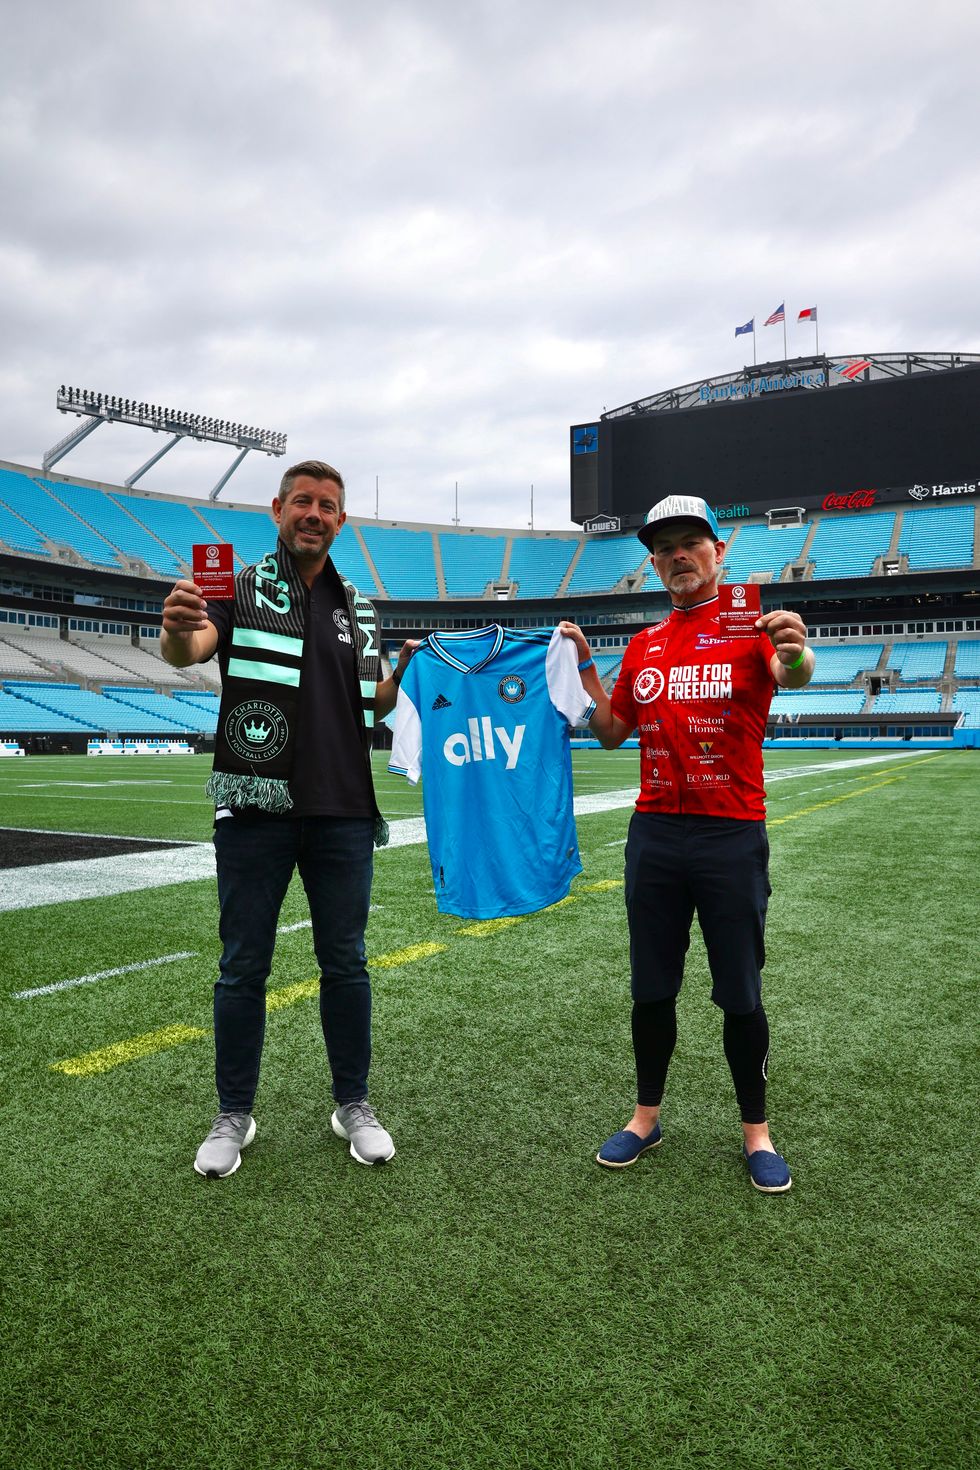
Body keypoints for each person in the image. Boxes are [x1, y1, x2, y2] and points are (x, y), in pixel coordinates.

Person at [161, 459, 415, 1178]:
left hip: (342, 812)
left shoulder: (357, 606)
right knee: (243, 968)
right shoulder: (238, 590)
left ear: (341, 520)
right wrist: (176, 629)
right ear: (278, 510)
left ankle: (353, 1104)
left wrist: (394, 681)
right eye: (302, 501)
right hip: (256, 808)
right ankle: (233, 1113)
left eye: (327, 505)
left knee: (347, 964)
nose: (314, 513)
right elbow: (192, 649)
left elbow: (368, 704)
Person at [560, 494, 814, 1193]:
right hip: (656, 834)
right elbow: (612, 730)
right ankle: (646, 1118)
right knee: (651, 990)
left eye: (690, 543)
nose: (677, 555)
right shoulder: (644, 645)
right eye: (664, 547)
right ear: (652, 563)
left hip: (731, 834)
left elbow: (794, 672)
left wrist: (797, 649)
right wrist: (585, 666)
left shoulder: (753, 627)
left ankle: (756, 1132)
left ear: (718, 551)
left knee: (739, 992)